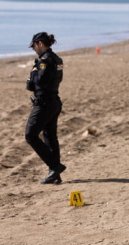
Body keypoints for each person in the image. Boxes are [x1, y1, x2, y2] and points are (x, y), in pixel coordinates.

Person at [25, 32, 66, 184]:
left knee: (30, 135)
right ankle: (54, 174)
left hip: (44, 103)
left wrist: (32, 74)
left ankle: (55, 167)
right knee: (50, 138)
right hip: (54, 101)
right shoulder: (57, 59)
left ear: (40, 43)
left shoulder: (44, 60)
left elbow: (34, 83)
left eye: (34, 46)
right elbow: (58, 79)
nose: (34, 49)